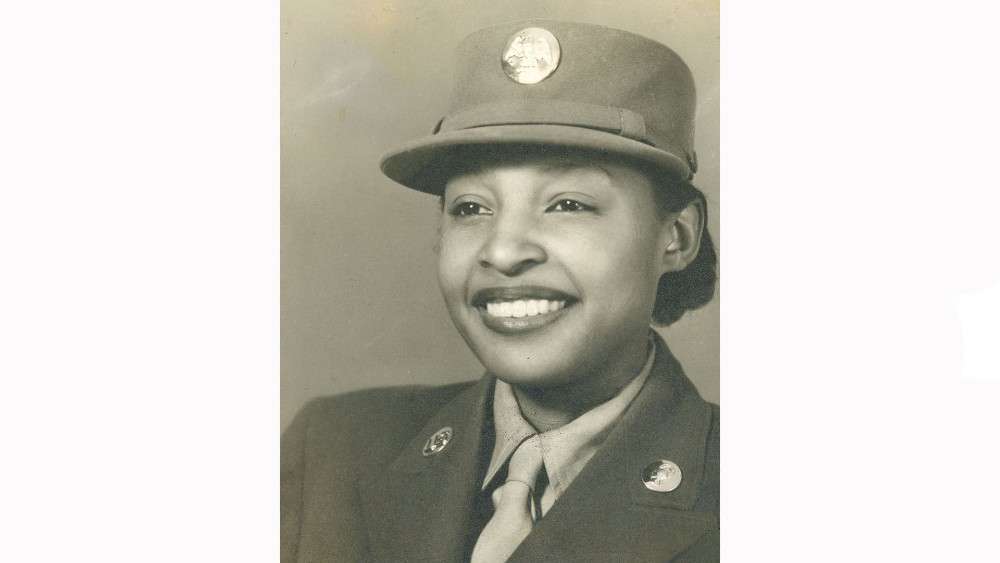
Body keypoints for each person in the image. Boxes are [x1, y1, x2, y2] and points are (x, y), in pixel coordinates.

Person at [282, 20, 719, 562]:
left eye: (567, 204)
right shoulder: (334, 451)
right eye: (471, 208)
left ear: (676, 237)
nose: (504, 251)